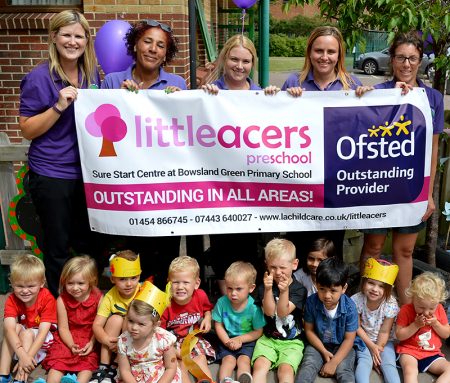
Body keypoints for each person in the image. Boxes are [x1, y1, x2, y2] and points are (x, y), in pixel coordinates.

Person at [356, 31, 444, 305]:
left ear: (420, 60)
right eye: (401, 58)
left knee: (404, 252)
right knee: (372, 247)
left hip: (411, 187)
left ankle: (404, 311)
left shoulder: (432, 98)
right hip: (380, 183)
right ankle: (365, 310)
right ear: (392, 60)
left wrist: (428, 194)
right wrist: (361, 96)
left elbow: (433, 147)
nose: (407, 64)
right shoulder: (378, 93)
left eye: (413, 58)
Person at [18, 10, 101, 297]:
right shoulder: (39, 77)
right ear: (54, 37)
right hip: (52, 174)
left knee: (88, 247)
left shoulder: (92, 74)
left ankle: (88, 311)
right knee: (57, 249)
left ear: (86, 40)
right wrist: (58, 107)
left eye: (79, 35)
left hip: (88, 174)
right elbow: (27, 129)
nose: (73, 41)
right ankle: (58, 313)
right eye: (66, 34)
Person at [101, 19, 187, 288]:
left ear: (166, 53)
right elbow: (102, 125)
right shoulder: (113, 81)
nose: (153, 49)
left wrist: (178, 103)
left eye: (160, 45)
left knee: (165, 251)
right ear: (136, 44)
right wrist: (121, 99)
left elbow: (186, 133)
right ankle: (129, 312)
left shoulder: (177, 83)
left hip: (165, 185)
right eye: (148, 41)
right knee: (130, 251)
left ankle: (160, 311)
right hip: (128, 185)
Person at [202, 34, 278, 295]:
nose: (239, 65)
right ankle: (226, 306)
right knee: (222, 247)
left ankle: (248, 304)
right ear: (224, 59)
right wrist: (204, 97)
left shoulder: (261, 94)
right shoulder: (210, 93)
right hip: (219, 187)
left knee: (249, 247)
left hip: (251, 189)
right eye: (234, 59)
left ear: (253, 63)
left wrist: (274, 101)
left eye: (246, 61)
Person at [281, 26, 362, 260]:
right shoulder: (294, 81)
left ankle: (327, 294)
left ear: (339, 55)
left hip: (336, 179)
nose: (324, 57)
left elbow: (368, 121)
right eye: (319, 50)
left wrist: (373, 97)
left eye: (331, 51)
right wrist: (282, 98)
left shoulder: (352, 84)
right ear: (309, 52)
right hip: (301, 176)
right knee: (299, 241)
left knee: (331, 244)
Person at [251, 239, 307, 383]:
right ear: (266, 265)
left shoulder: (299, 289)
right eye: (273, 267)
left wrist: (284, 292)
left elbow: (282, 313)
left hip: (292, 342)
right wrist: (269, 289)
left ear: (294, 264)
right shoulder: (264, 286)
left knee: (286, 370)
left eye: (282, 267)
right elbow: (270, 312)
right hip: (268, 339)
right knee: (259, 366)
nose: (277, 272)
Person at [296, 257, 359, 383]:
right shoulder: (311, 302)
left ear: (344, 288)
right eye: (322, 289)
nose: (327, 295)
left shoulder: (350, 307)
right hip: (318, 344)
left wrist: (334, 363)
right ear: (316, 285)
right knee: (308, 365)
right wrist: (324, 352)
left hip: (343, 347)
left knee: (344, 370)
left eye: (333, 290)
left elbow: (349, 339)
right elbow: (309, 331)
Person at [42, 256, 103, 383]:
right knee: (57, 363)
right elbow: (63, 328)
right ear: (64, 281)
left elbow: (99, 325)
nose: (75, 288)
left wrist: (92, 343)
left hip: (90, 338)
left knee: (87, 365)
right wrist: (71, 345)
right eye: (70, 283)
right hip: (67, 339)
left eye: (80, 283)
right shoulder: (62, 300)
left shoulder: (98, 298)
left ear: (91, 281)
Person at [0, 254, 57, 383]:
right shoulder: (11, 299)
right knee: (13, 327)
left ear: (42, 283)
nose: (25, 291)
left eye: (31, 286)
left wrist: (27, 357)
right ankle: (3, 375)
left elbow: (43, 332)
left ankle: (21, 377)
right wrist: (22, 355)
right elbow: (9, 329)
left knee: (26, 333)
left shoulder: (47, 297)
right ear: (12, 283)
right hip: (26, 337)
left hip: (46, 339)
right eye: (19, 286)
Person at [160, 255, 215, 383]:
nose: (180, 287)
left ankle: (205, 380)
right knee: (178, 365)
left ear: (196, 284)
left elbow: (207, 309)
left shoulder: (200, 296)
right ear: (168, 283)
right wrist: (172, 349)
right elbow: (159, 332)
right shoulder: (165, 303)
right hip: (171, 343)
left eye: (185, 282)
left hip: (193, 339)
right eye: (175, 282)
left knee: (200, 358)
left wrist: (207, 318)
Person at [91, 251, 142, 383]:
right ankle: (104, 367)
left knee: (130, 318)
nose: (129, 284)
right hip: (114, 342)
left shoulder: (145, 291)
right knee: (115, 319)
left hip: (136, 340)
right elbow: (97, 325)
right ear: (112, 279)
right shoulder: (109, 296)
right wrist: (107, 340)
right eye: (122, 279)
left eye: (133, 278)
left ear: (140, 275)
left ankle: (117, 365)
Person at [116, 281, 181, 383]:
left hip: (161, 377)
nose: (134, 327)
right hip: (133, 378)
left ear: (155, 325)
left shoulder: (164, 339)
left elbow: (171, 368)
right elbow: (125, 370)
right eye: (131, 321)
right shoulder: (123, 341)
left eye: (141, 324)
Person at [212, 261, 265, 383]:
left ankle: (244, 378)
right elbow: (218, 325)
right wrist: (227, 341)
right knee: (228, 360)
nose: (233, 293)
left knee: (243, 360)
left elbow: (258, 331)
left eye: (238, 289)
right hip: (227, 339)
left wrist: (240, 339)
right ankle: (225, 380)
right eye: (229, 288)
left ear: (251, 288)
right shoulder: (222, 303)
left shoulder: (254, 307)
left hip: (246, 341)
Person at [351, 258, 400, 383]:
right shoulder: (356, 300)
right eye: (371, 283)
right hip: (363, 339)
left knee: (388, 363)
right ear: (364, 282)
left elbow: (384, 332)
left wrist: (377, 351)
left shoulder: (390, 304)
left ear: (388, 288)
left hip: (384, 341)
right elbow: (356, 326)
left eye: (381, 286)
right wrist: (371, 347)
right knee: (364, 362)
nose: (375, 289)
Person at [396, 272, 450, 383]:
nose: (426, 312)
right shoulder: (406, 310)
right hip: (409, 351)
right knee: (410, 371)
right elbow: (399, 335)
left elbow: (446, 333)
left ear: (438, 302)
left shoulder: (439, 309)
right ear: (412, 299)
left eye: (431, 308)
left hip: (432, 352)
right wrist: (415, 325)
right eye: (421, 307)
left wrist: (436, 324)